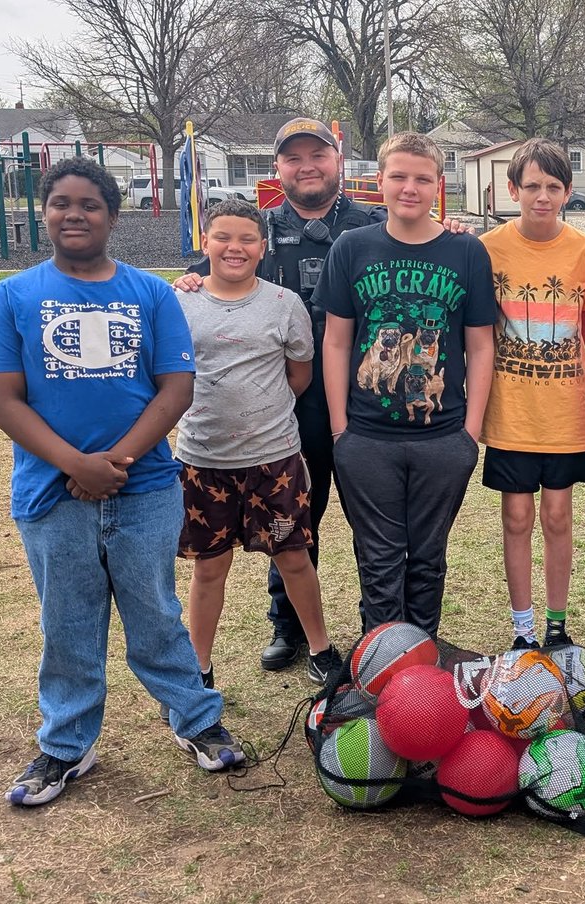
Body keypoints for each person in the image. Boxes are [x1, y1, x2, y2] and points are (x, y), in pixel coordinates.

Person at [0, 157, 245, 807]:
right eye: (61, 202)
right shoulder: (13, 297)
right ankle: (67, 744)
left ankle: (197, 721)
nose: (75, 213)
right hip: (52, 496)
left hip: (145, 489)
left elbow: (176, 388)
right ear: (44, 211)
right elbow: (4, 399)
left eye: (90, 204)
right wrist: (75, 464)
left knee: (155, 612)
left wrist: (113, 463)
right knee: (68, 621)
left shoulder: (149, 294)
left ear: (112, 217)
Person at [176, 117, 384, 671]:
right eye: (293, 158)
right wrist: (187, 281)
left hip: (366, 400)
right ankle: (288, 628)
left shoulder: (375, 224)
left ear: (339, 160)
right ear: (278, 169)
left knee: (374, 521)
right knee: (294, 522)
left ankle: (379, 628)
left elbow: (424, 244)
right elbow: (211, 278)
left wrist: (455, 228)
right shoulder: (255, 229)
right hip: (289, 406)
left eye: (317, 155)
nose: (307, 166)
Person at [319, 131, 496, 637]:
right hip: (367, 437)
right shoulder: (352, 248)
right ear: (380, 182)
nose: (410, 187)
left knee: (426, 558)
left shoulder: (466, 252)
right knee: (378, 561)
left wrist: (471, 432)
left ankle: (421, 662)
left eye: (422, 178)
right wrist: (339, 429)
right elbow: (336, 341)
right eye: (398, 176)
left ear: (439, 184)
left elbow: (480, 345)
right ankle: (379, 666)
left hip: (442, 437)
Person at [174, 199, 341, 691]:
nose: (235, 247)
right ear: (205, 243)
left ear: (263, 247)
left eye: (247, 238)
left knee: (293, 557)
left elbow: (299, 374)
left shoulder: (284, 305)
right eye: (222, 237)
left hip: (275, 460)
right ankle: (197, 668)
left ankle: (320, 648)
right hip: (203, 460)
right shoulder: (178, 303)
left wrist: (259, 416)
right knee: (209, 569)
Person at [478, 138, 585, 650]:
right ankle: (523, 629)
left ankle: (556, 624)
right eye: (531, 186)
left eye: (553, 187)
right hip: (510, 413)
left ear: (568, 191)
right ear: (512, 189)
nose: (542, 197)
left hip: (562, 414)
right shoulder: (486, 249)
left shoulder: (584, 250)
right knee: (517, 517)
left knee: (557, 515)